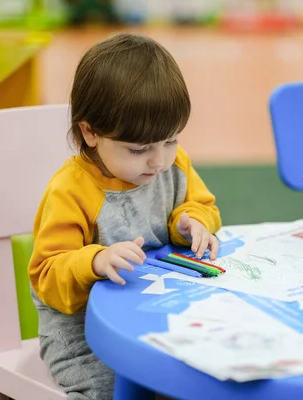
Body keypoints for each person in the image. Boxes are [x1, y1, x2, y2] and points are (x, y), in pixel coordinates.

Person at [28, 32, 222, 399]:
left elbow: (203, 206)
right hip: (79, 327)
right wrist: (96, 260)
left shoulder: (173, 166)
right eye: (139, 149)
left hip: (148, 309)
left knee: (199, 372)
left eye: (170, 140)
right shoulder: (71, 190)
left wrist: (190, 221)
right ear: (90, 133)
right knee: (109, 389)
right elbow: (47, 276)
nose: (159, 160)